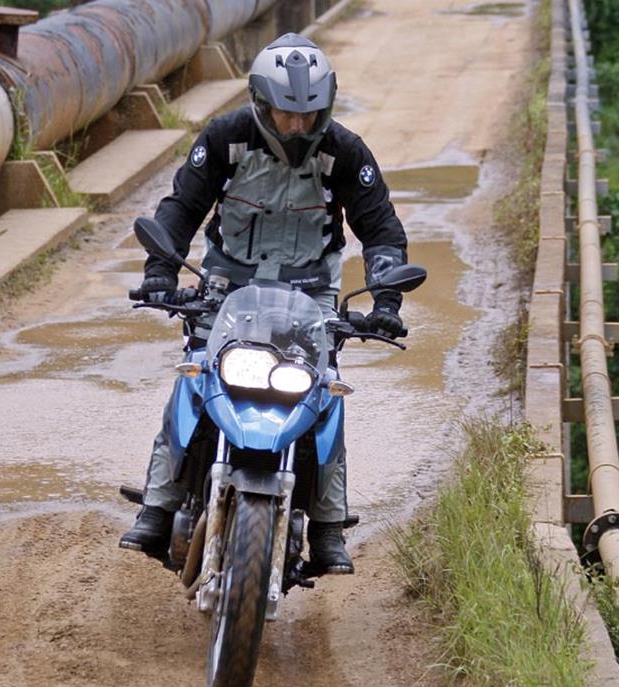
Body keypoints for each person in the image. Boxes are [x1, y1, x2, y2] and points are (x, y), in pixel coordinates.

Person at [119, 33, 408, 574]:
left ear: (326, 108)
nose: (296, 128)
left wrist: (386, 297)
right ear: (259, 102)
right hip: (226, 287)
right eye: (285, 115)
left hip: (312, 295)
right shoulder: (225, 138)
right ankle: (158, 505)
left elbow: (382, 230)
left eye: (309, 116)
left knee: (325, 393)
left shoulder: (345, 152)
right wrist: (160, 272)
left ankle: (327, 524)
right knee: (194, 375)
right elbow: (180, 208)